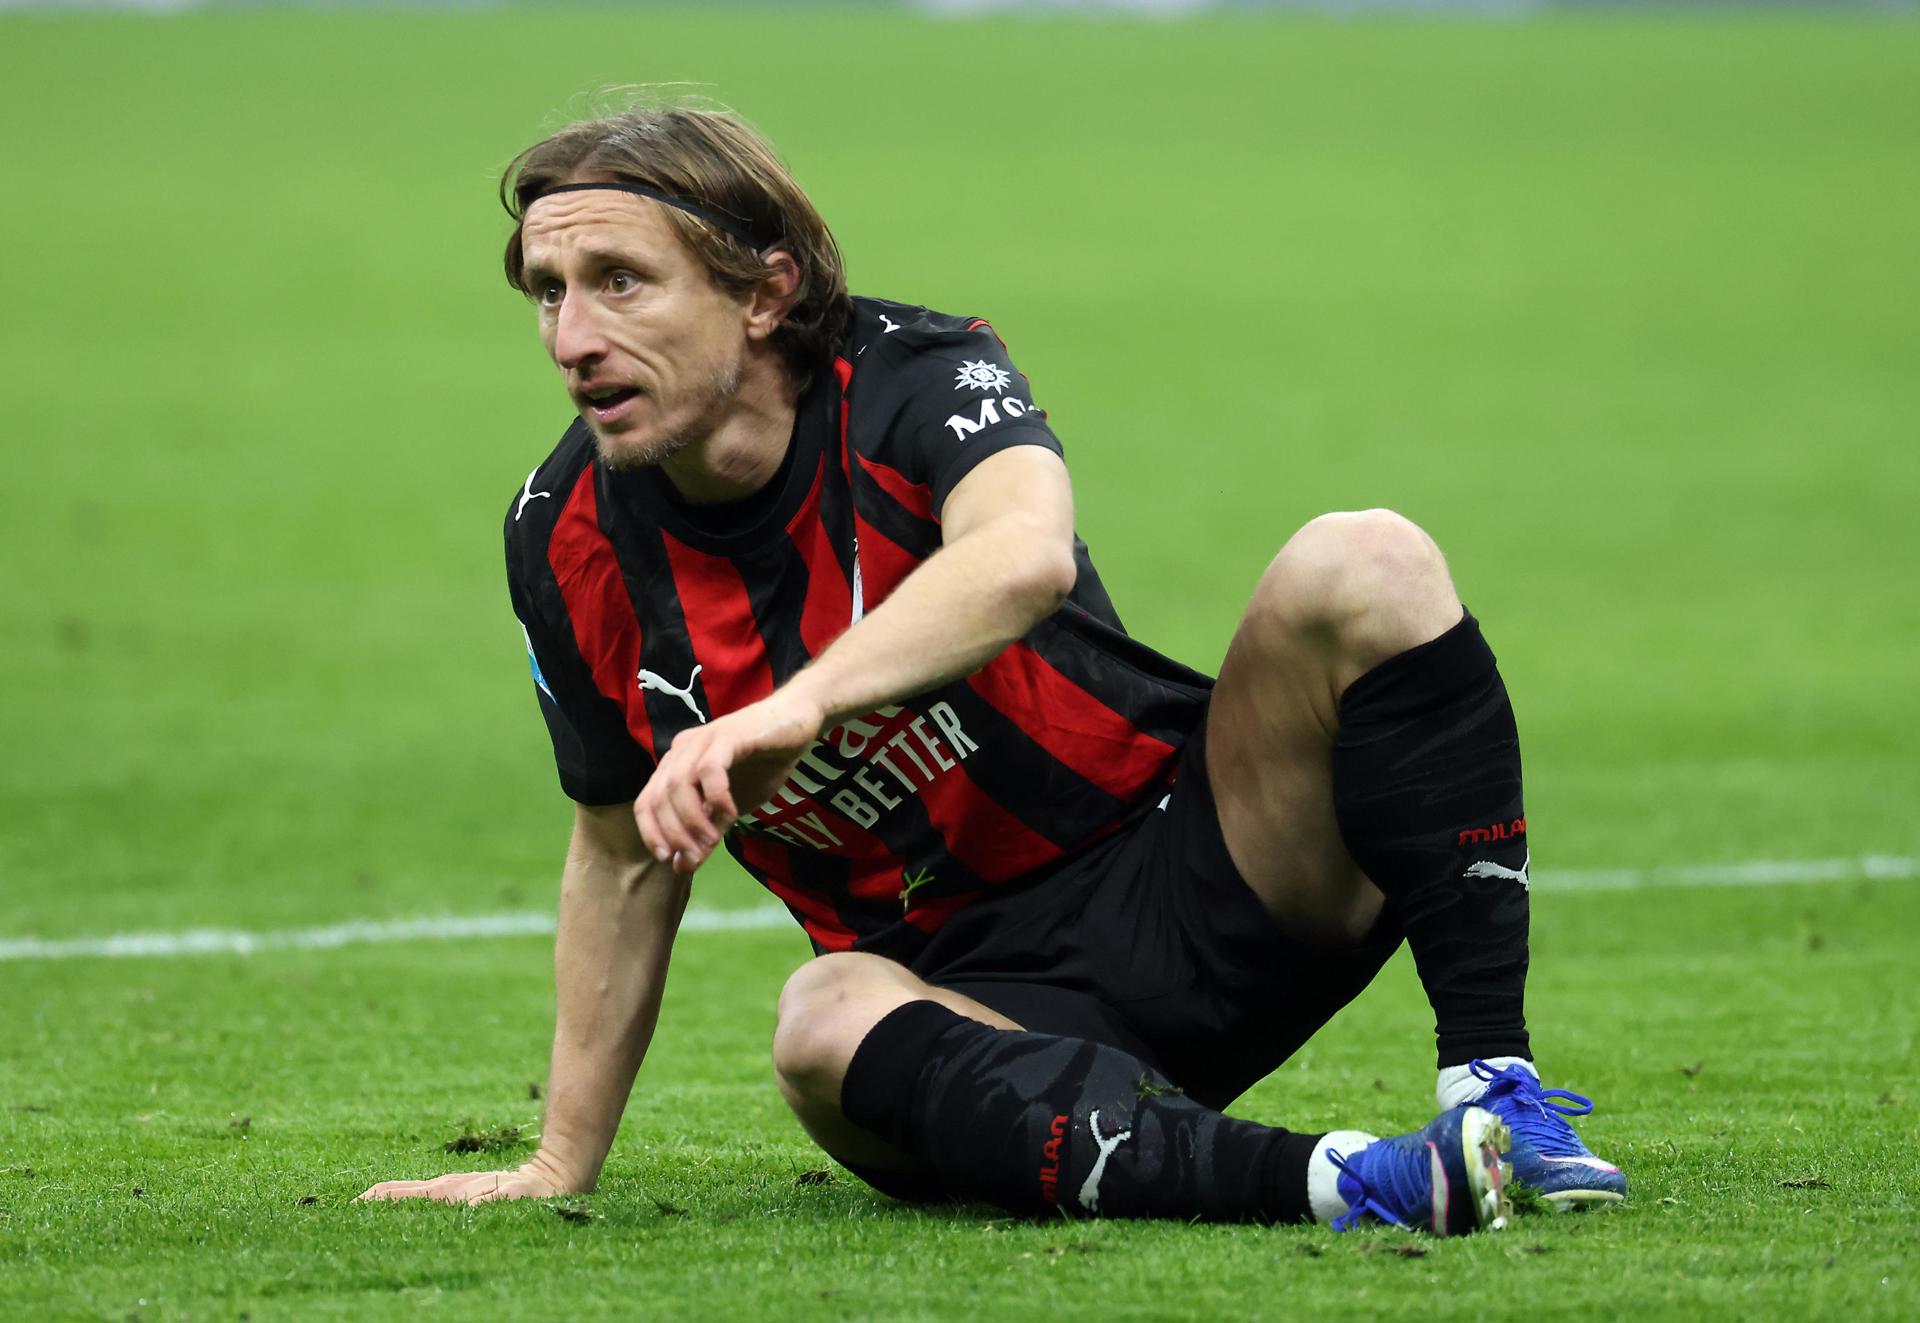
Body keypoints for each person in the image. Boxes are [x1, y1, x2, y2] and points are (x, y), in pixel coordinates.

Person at [357, 102, 1626, 1232]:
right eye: (547, 290)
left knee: (1368, 562)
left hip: (1208, 866)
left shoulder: (915, 372)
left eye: (620, 281)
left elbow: (1023, 559)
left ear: (761, 291)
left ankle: (1499, 1091)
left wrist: (801, 702)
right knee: (816, 1017)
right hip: (979, 1019)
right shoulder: (561, 534)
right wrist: (560, 1160)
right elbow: (617, 854)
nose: (571, 335)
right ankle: (1347, 1180)